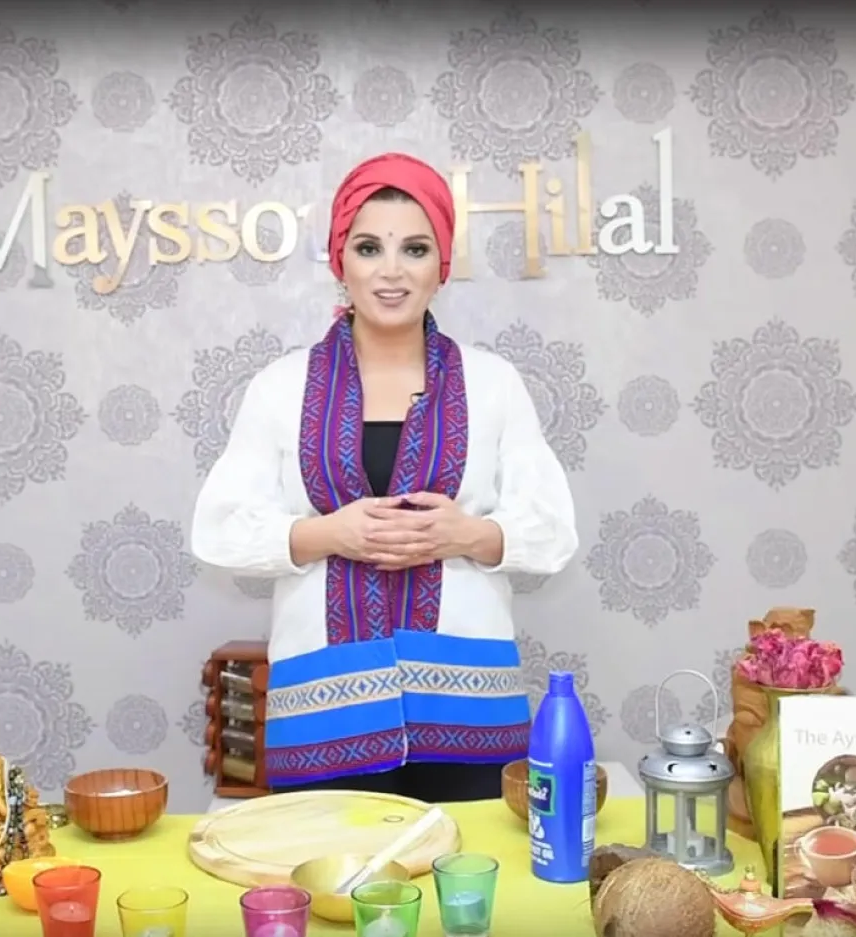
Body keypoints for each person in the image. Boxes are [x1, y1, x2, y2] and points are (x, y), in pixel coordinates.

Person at [191, 152, 579, 803]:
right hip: (322, 715)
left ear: (441, 264)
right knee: (329, 870)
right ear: (340, 260)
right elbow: (218, 529)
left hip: (469, 714)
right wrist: (328, 534)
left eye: (415, 249)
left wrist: (467, 534)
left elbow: (553, 530)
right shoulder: (281, 388)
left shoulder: (493, 384)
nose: (391, 270)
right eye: (369, 247)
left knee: (474, 869)